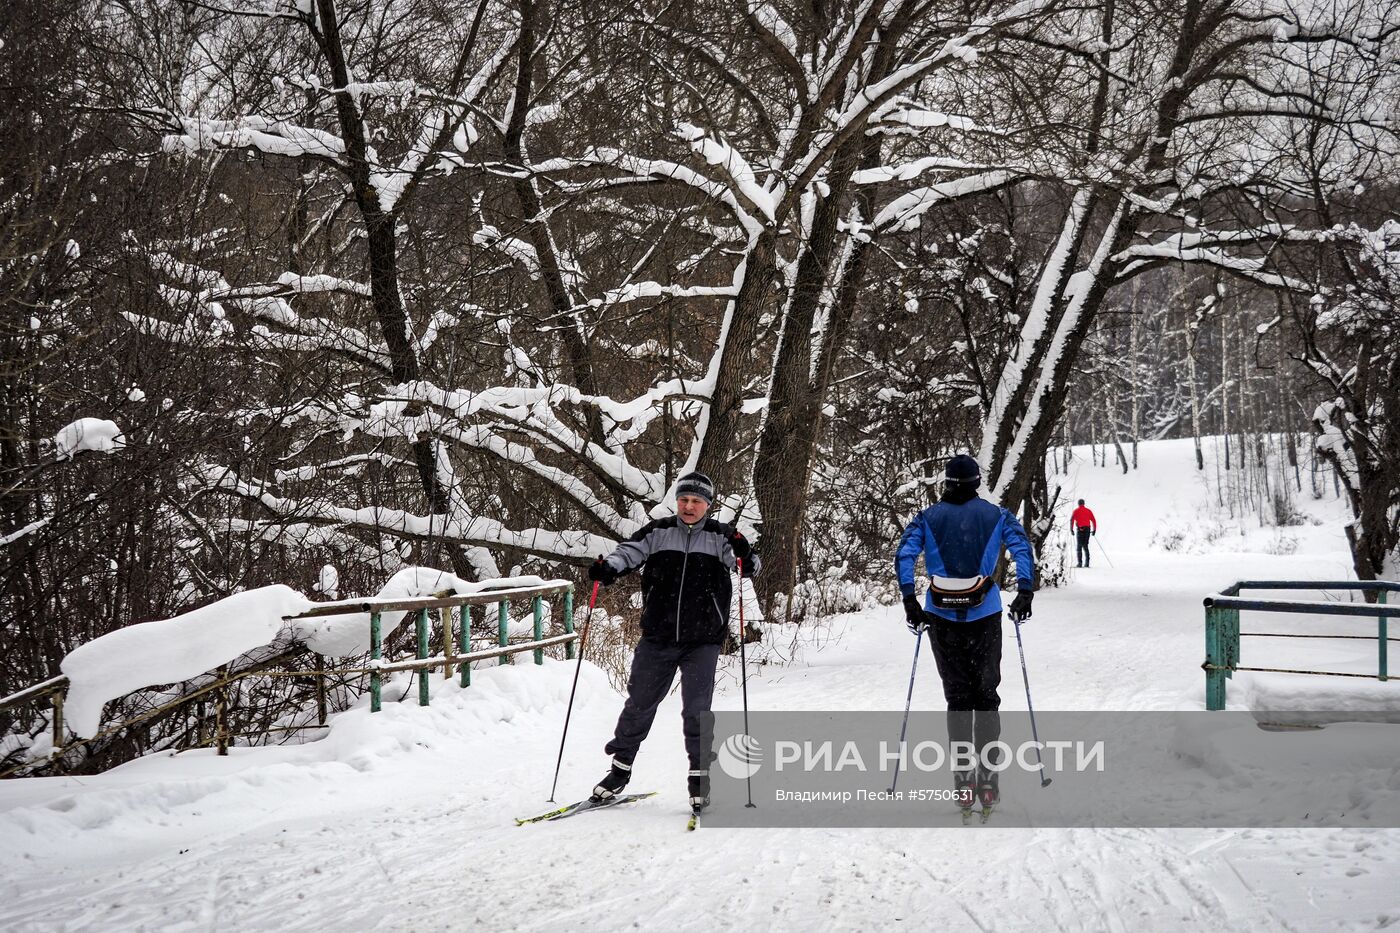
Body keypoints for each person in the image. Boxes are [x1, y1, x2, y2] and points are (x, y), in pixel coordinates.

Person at [586, 471, 757, 813]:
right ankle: (619, 771)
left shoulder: (720, 536)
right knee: (639, 703)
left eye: (696, 501)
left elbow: (748, 566)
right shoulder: (658, 531)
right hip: (658, 636)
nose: (689, 506)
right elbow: (627, 553)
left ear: (708, 505)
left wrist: (744, 552)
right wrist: (609, 568)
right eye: (684, 500)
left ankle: (698, 778)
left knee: (696, 710)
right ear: (677, 501)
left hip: (704, 640)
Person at [894, 454, 1035, 813]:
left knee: (957, 698)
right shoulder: (997, 515)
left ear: (946, 482)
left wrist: (910, 600)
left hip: (940, 617)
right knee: (986, 697)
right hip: (985, 614)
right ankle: (988, 780)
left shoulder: (927, 518)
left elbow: (904, 555)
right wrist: (1025, 591)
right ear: (976, 482)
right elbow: (1021, 547)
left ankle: (962, 780)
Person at [1071, 498, 1097, 568]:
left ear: (1078, 504)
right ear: (1084, 503)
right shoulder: (1088, 511)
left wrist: (1071, 529)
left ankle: (1080, 563)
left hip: (1080, 530)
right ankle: (1087, 563)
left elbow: (1072, 520)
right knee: (1085, 546)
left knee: (1079, 547)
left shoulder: (1076, 511)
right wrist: (1094, 530)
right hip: (1087, 530)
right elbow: (1094, 520)